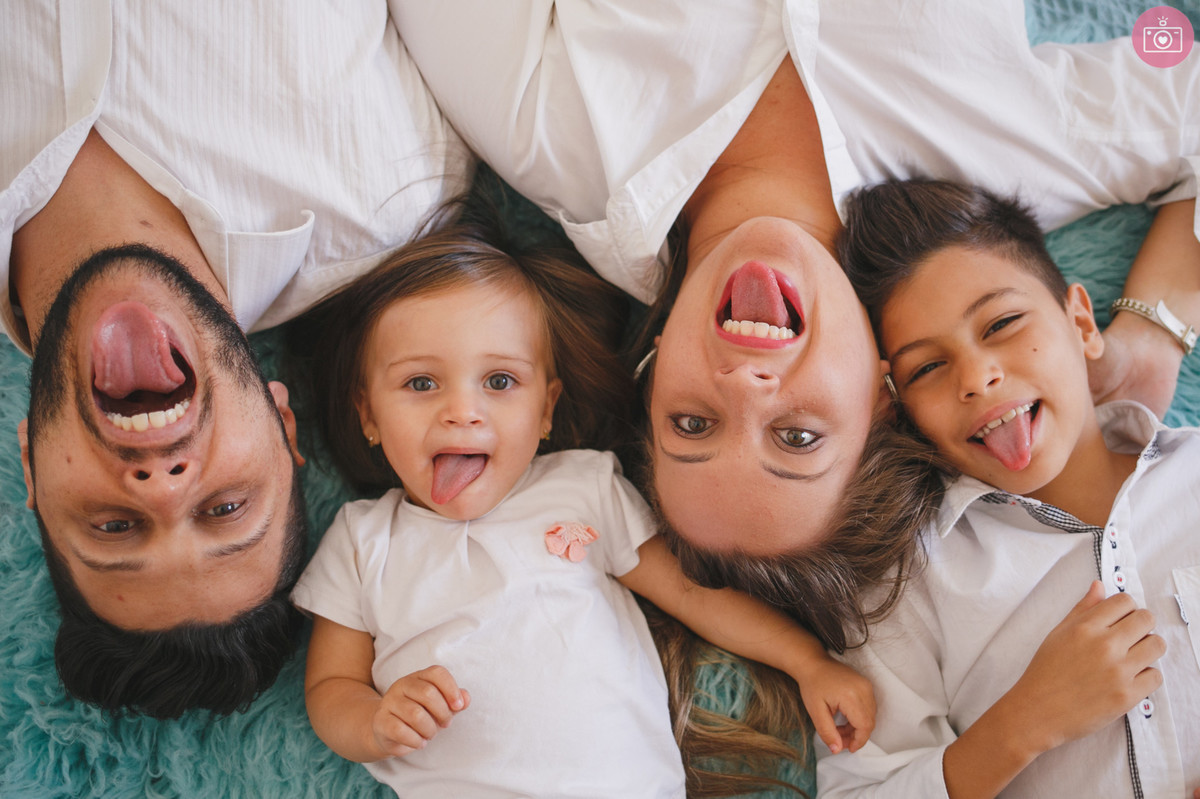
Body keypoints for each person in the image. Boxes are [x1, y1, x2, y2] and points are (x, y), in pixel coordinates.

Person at [387, 0, 1200, 630]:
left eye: (693, 424)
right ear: (885, 398)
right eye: (798, 436)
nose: (746, 382)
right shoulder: (1002, 168)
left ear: (657, 359)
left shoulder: (546, 139)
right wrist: (1157, 331)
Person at [290, 216, 875, 797]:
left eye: (499, 382)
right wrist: (374, 721)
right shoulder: (364, 540)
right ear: (368, 415)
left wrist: (807, 662)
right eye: (421, 384)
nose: (461, 411)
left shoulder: (582, 487)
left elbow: (695, 597)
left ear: (546, 410)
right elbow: (330, 686)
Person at [3, 3, 471, 717]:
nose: (160, 486)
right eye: (225, 507)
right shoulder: (389, 186)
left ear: (30, 462)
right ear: (285, 427)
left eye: (114, 526)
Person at [818, 177, 1199, 798]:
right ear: (898, 408)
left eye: (1002, 323)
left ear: (1081, 322)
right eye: (928, 367)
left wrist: (1156, 335)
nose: (977, 376)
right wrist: (1024, 723)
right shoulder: (904, 586)